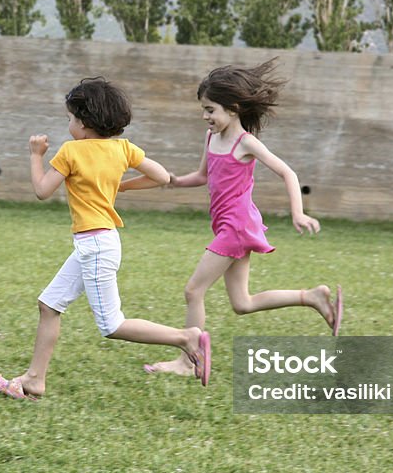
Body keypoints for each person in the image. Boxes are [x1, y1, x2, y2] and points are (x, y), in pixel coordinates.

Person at [0, 77, 212, 400]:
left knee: (112, 325)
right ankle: (34, 380)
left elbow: (41, 190)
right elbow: (162, 177)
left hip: (94, 246)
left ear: (85, 122)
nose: (68, 125)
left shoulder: (70, 152)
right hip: (100, 243)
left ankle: (186, 337)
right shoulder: (122, 148)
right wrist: (123, 185)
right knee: (49, 305)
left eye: (70, 119)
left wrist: (36, 156)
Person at [119, 59, 342, 377]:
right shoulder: (211, 138)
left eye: (211, 109)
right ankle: (312, 297)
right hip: (230, 226)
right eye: (203, 109)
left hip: (236, 227)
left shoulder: (245, 143)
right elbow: (202, 176)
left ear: (234, 108)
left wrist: (297, 212)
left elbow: (287, 172)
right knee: (243, 303)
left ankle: (188, 361)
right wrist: (172, 181)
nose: (205, 116)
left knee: (193, 290)